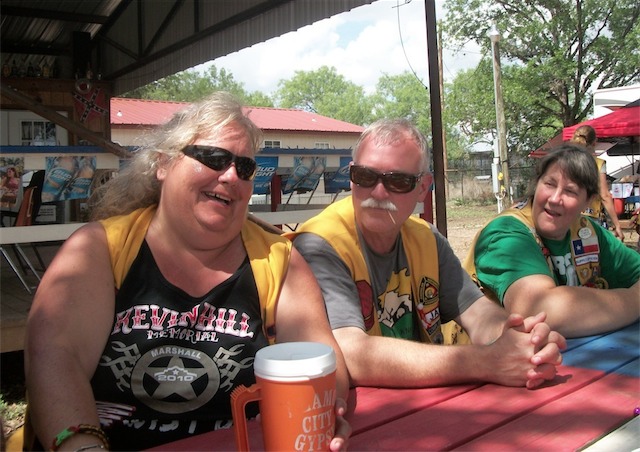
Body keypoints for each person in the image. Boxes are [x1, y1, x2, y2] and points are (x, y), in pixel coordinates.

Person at [23, 92, 351, 451]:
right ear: (163, 164)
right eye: (213, 158)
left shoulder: (278, 260)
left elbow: (323, 363)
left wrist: (323, 412)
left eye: (245, 168)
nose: (231, 176)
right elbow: (56, 359)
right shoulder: (99, 249)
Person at [288, 118, 565, 390]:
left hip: (427, 402)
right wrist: (486, 361)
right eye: (365, 177)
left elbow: (478, 313)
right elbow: (351, 353)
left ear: (423, 187)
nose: (379, 192)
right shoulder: (320, 245)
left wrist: (520, 338)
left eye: (397, 181)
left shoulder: (427, 239)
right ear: (351, 178)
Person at [465, 144, 640, 338]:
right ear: (536, 184)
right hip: (487, 356)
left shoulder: (587, 231)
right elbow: (540, 310)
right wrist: (634, 299)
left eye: (570, 191)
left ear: (588, 201)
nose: (555, 199)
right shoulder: (504, 233)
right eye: (549, 184)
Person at [570, 125, 624, 239]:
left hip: (569, 214)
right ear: (594, 142)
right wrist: (617, 225)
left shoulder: (567, 161)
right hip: (590, 217)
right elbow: (604, 196)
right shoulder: (598, 163)